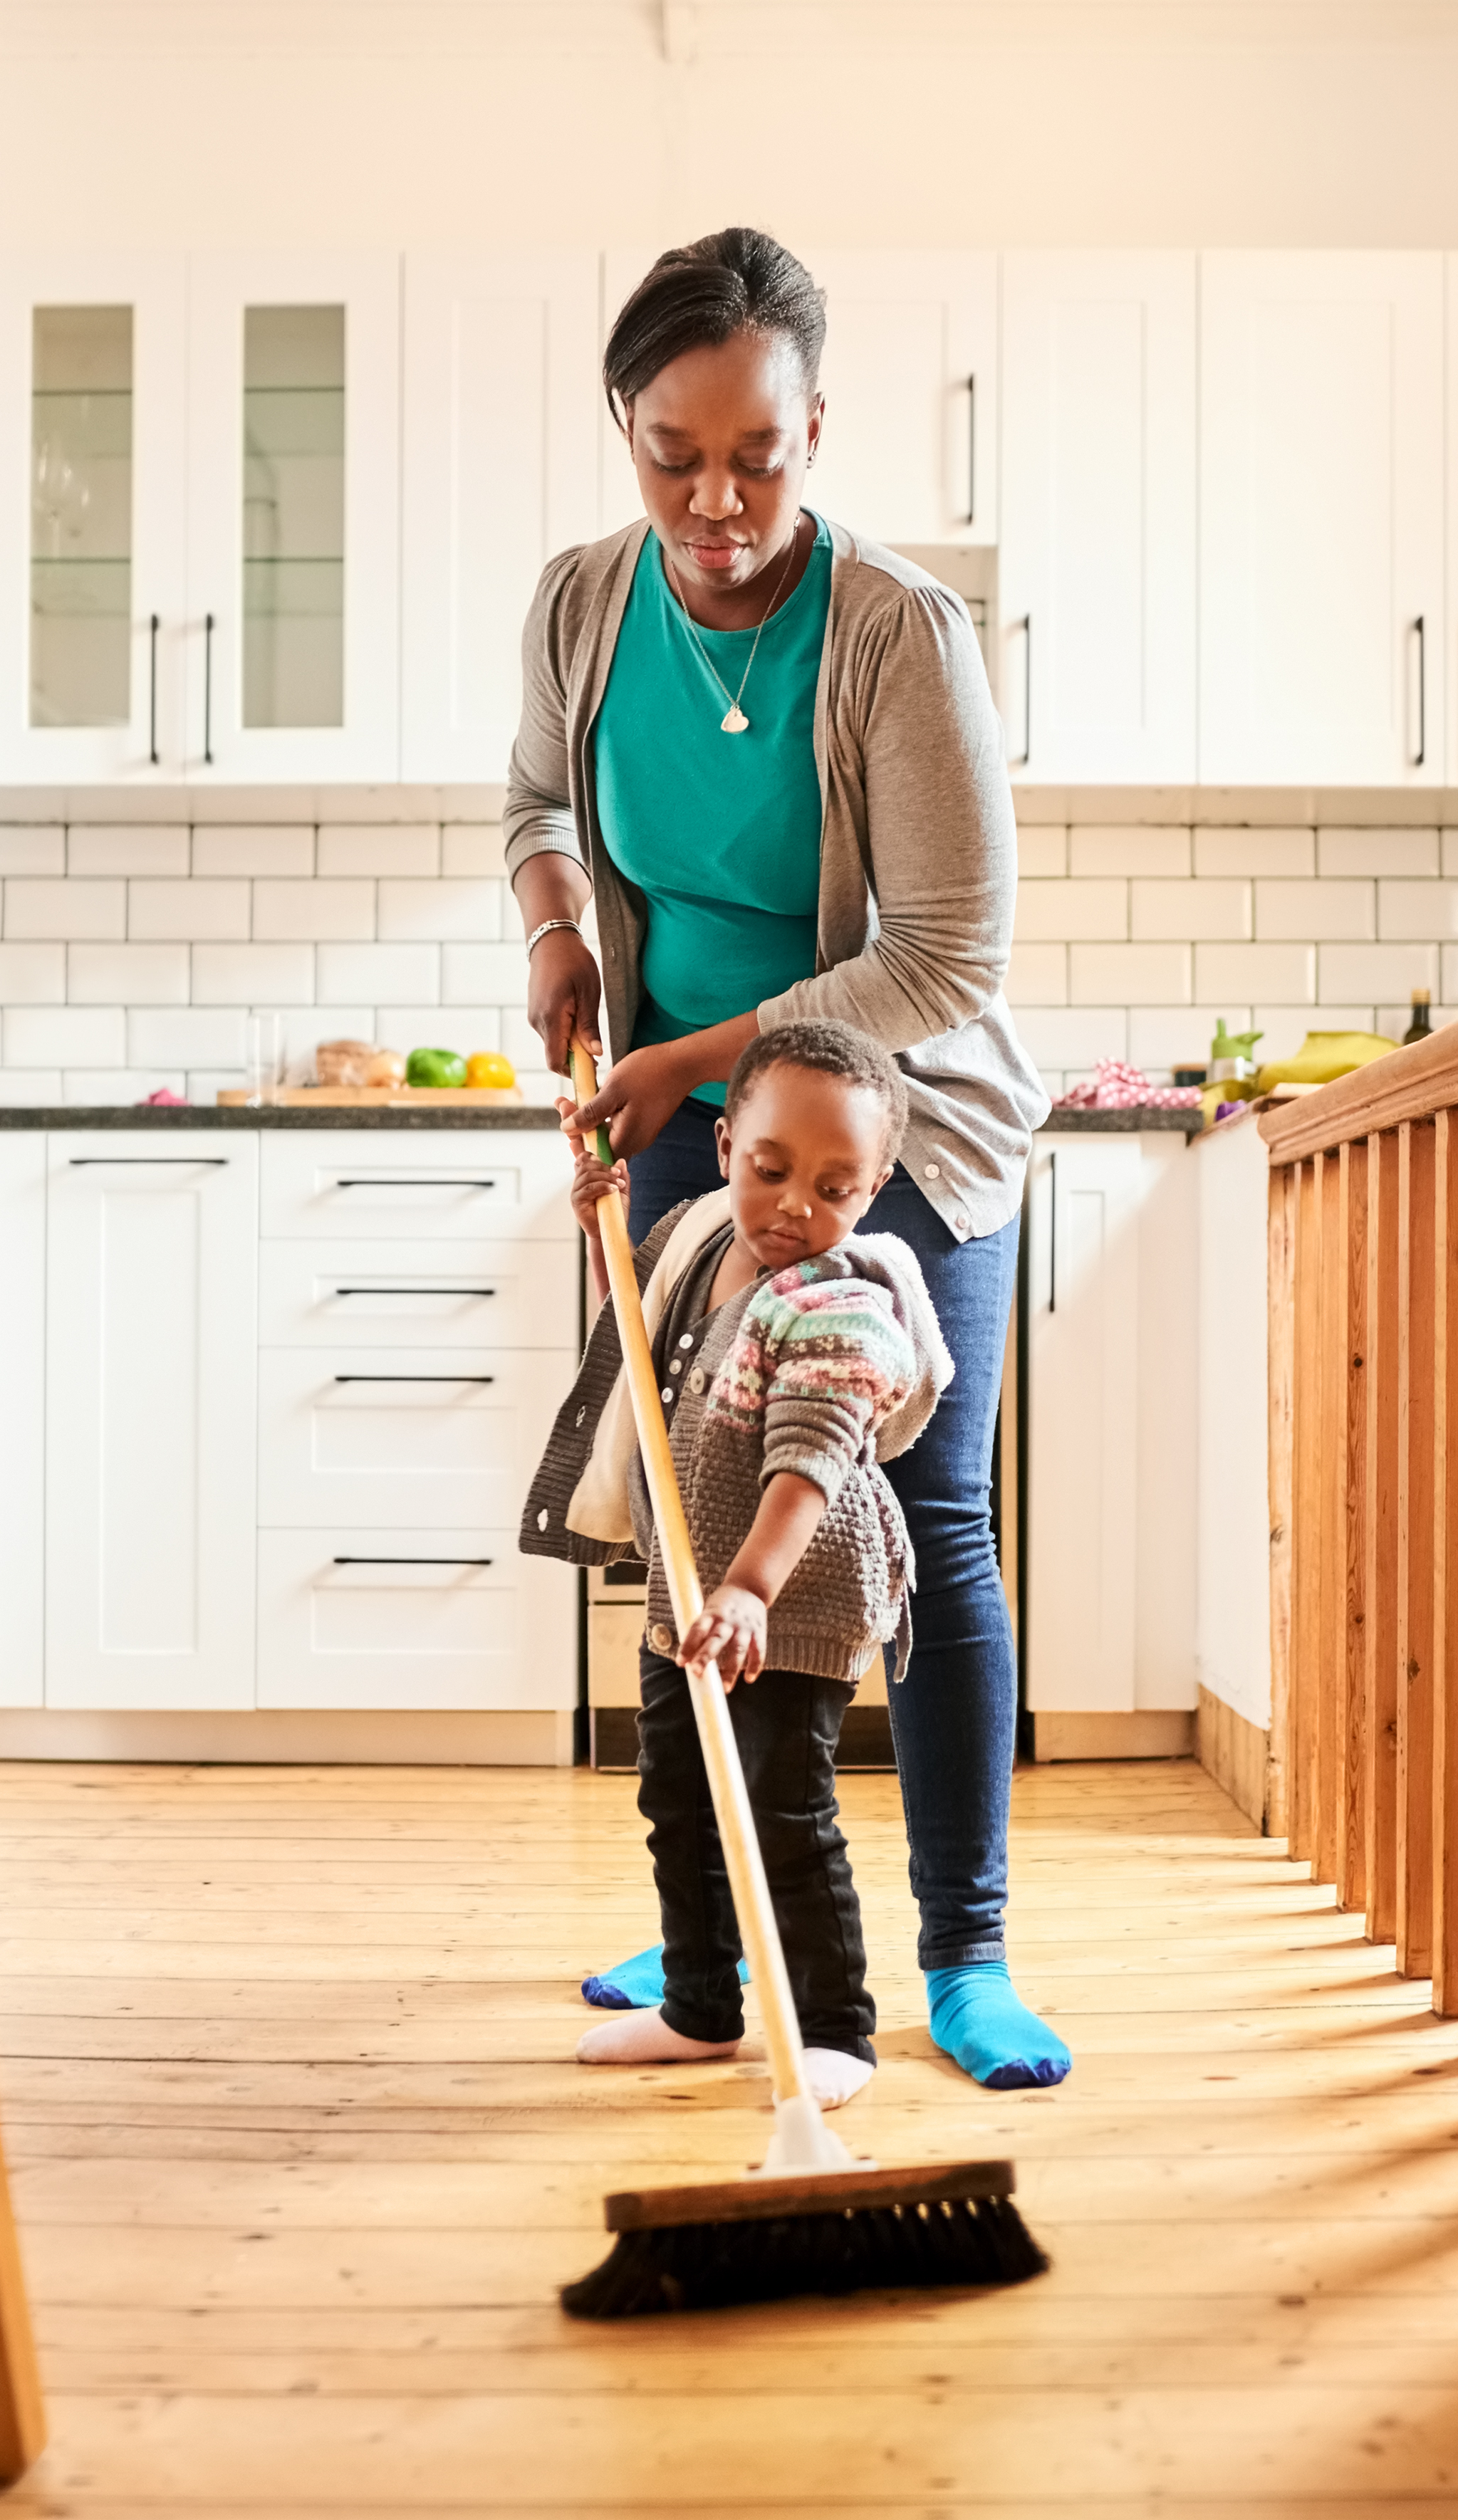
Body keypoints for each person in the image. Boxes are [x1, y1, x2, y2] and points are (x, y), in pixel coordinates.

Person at [504, 225, 1072, 2091]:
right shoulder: (585, 605)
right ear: (628, 430)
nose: (718, 497)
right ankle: (706, 1927)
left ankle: (964, 1948)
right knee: (696, 1516)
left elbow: (941, 958)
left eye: (759, 453)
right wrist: (555, 935)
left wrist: (674, 1059)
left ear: (816, 428)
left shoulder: (901, 633)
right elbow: (533, 800)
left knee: (919, 1523)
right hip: (694, 1127)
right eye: (674, 453)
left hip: (894, 1115)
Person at [524, 1022, 948, 2103]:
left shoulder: (839, 1298)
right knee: (678, 1797)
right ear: (725, 1151)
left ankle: (835, 2031)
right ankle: (704, 2008)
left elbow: (811, 1456)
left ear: (875, 1187)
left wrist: (753, 1589)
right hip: (692, 1588)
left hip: (790, 1592)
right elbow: (641, 1316)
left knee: (781, 1806)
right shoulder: (702, 1241)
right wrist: (600, 1231)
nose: (797, 1208)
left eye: (835, 1187)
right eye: (770, 1172)